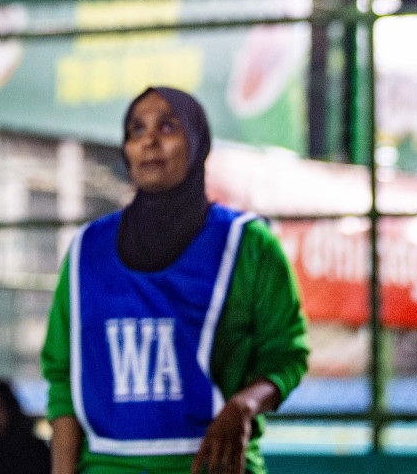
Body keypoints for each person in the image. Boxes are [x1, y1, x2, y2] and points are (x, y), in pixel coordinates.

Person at [41, 87, 309, 474]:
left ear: (198, 143)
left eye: (167, 127)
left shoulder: (248, 244)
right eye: (137, 129)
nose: (149, 140)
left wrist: (243, 406)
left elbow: (287, 354)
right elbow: (63, 378)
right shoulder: (86, 250)